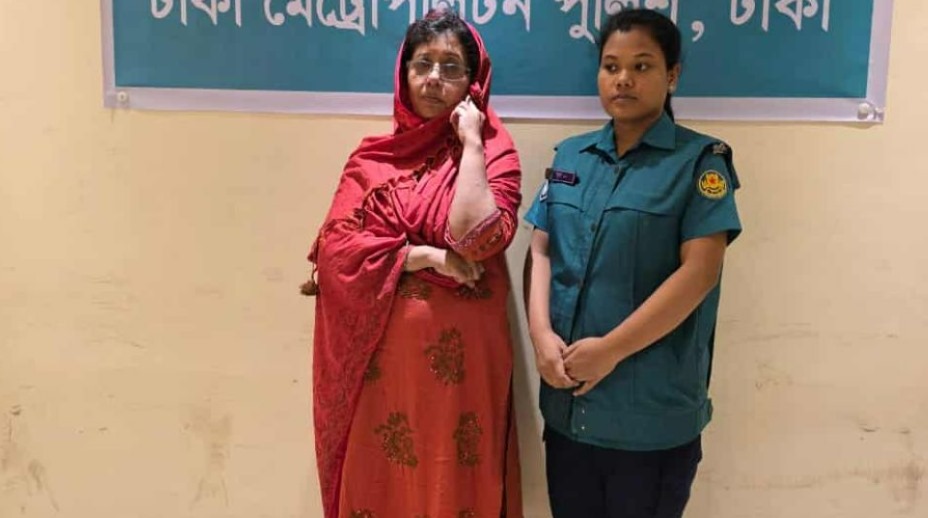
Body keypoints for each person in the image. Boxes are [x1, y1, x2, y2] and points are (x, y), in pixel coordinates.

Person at [302, 9, 523, 518]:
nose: (433, 78)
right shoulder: (371, 161)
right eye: (422, 63)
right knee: (386, 483)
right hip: (383, 372)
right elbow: (336, 253)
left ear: (474, 83)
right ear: (404, 73)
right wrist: (423, 256)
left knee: (456, 484)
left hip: (465, 375)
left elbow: (476, 239)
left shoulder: (495, 153)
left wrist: (472, 143)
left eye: (451, 67)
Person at [523, 8, 742, 518]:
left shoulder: (699, 162)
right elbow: (541, 249)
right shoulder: (571, 157)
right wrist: (539, 336)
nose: (623, 79)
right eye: (611, 66)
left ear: (672, 75)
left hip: (650, 421)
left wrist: (611, 351)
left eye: (642, 66)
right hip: (567, 409)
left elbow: (700, 272)